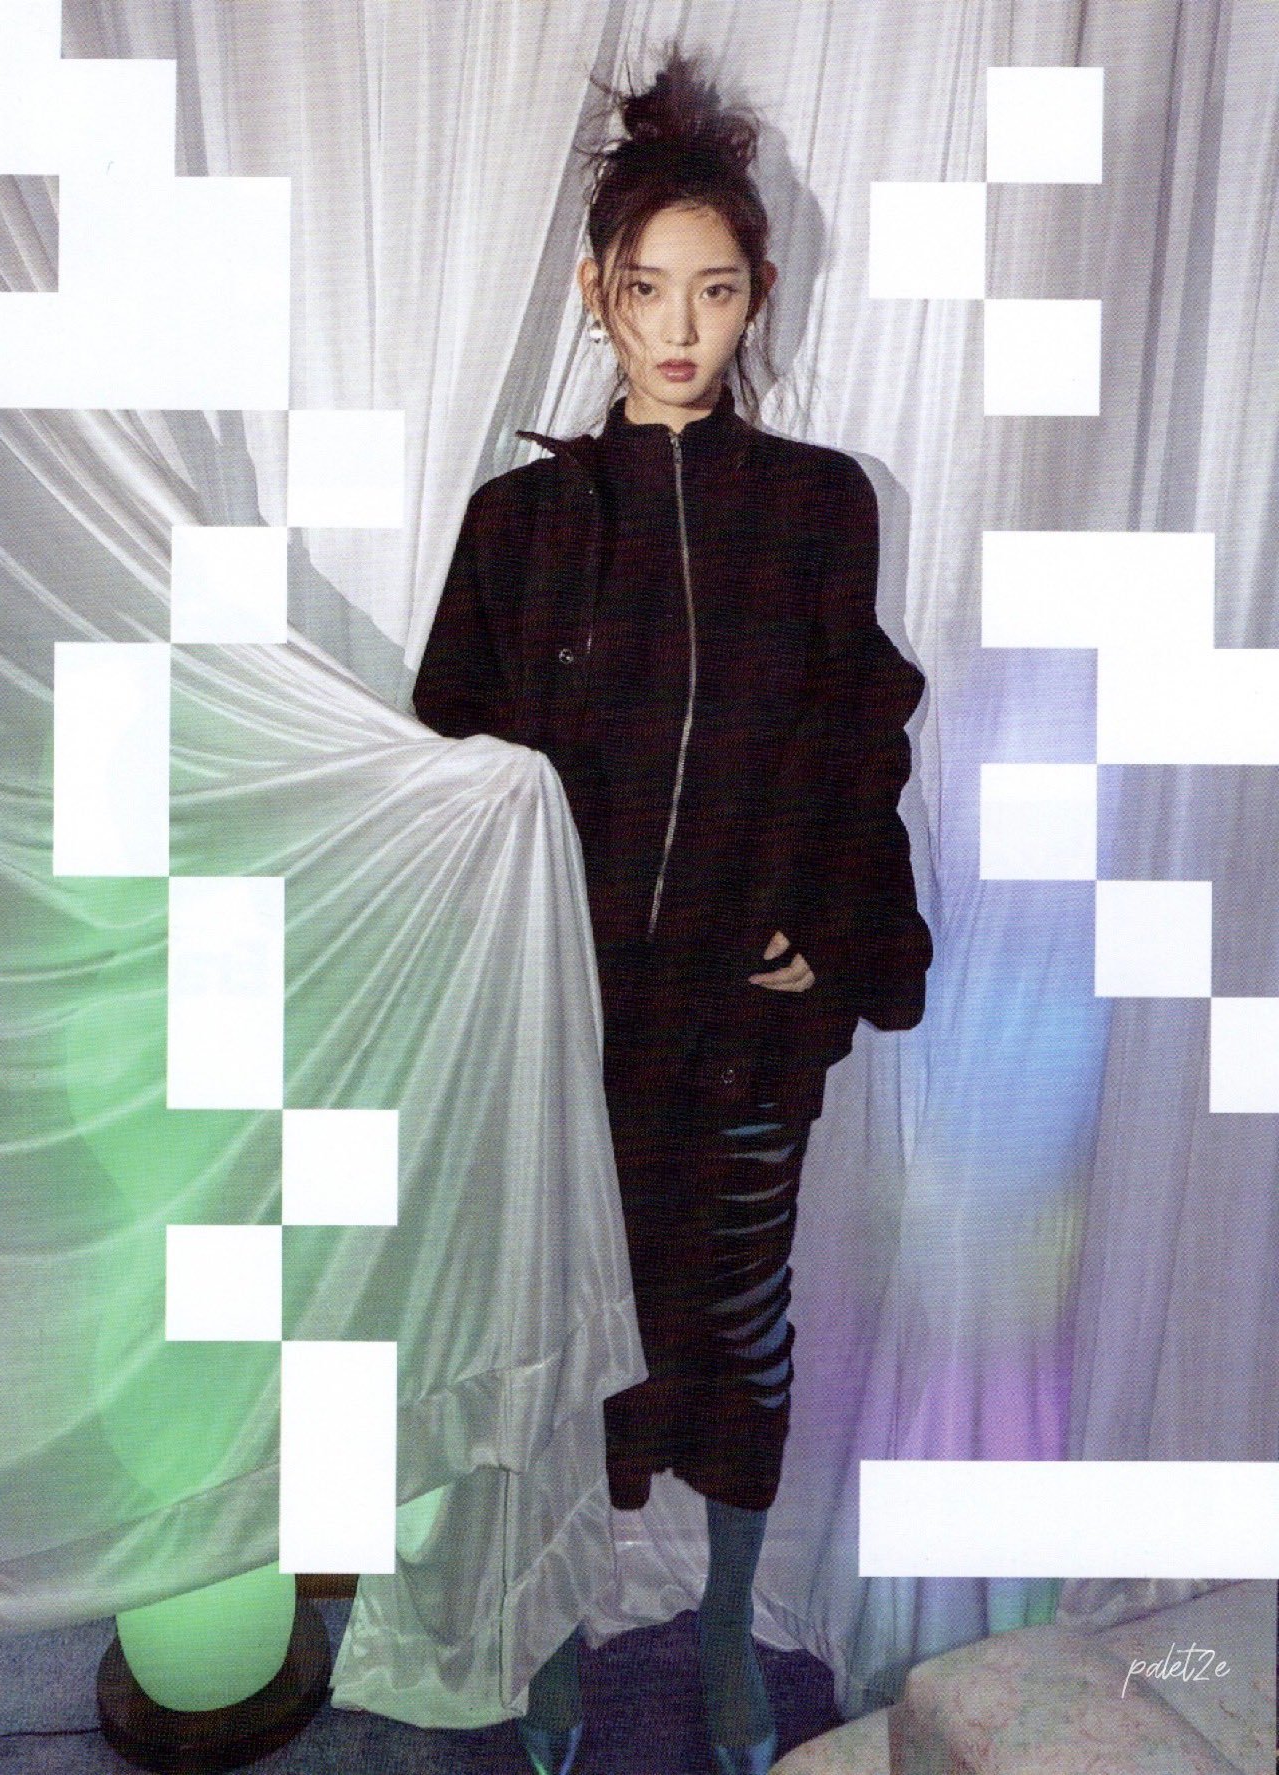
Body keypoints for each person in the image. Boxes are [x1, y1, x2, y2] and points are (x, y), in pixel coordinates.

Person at [413, 48, 931, 1775]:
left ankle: (720, 1631)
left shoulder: (818, 506)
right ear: (596, 293)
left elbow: (857, 742)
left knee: (740, 1334)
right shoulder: (519, 528)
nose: (680, 328)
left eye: (715, 290)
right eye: (648, 289)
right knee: (567, 1345)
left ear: (758, 294)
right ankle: (556, 1633)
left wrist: (823, 930)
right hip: (567, 1035)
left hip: (744, 1036)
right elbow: (452, 774)